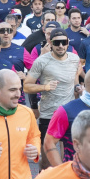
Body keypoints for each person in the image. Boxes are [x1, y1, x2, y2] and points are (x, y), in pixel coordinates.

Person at [24, 29, 81, 169]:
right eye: (57, 42)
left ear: (68, 43)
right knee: (47, 161)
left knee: (68, 159)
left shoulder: (74, 59)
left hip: (69, 114)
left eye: (64, 42)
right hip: (49, 114)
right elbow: (26, 86)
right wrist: (45, 87)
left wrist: (77, 88)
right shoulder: (41, 61)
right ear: (50, 43)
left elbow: (73, 80)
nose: (60, 45)